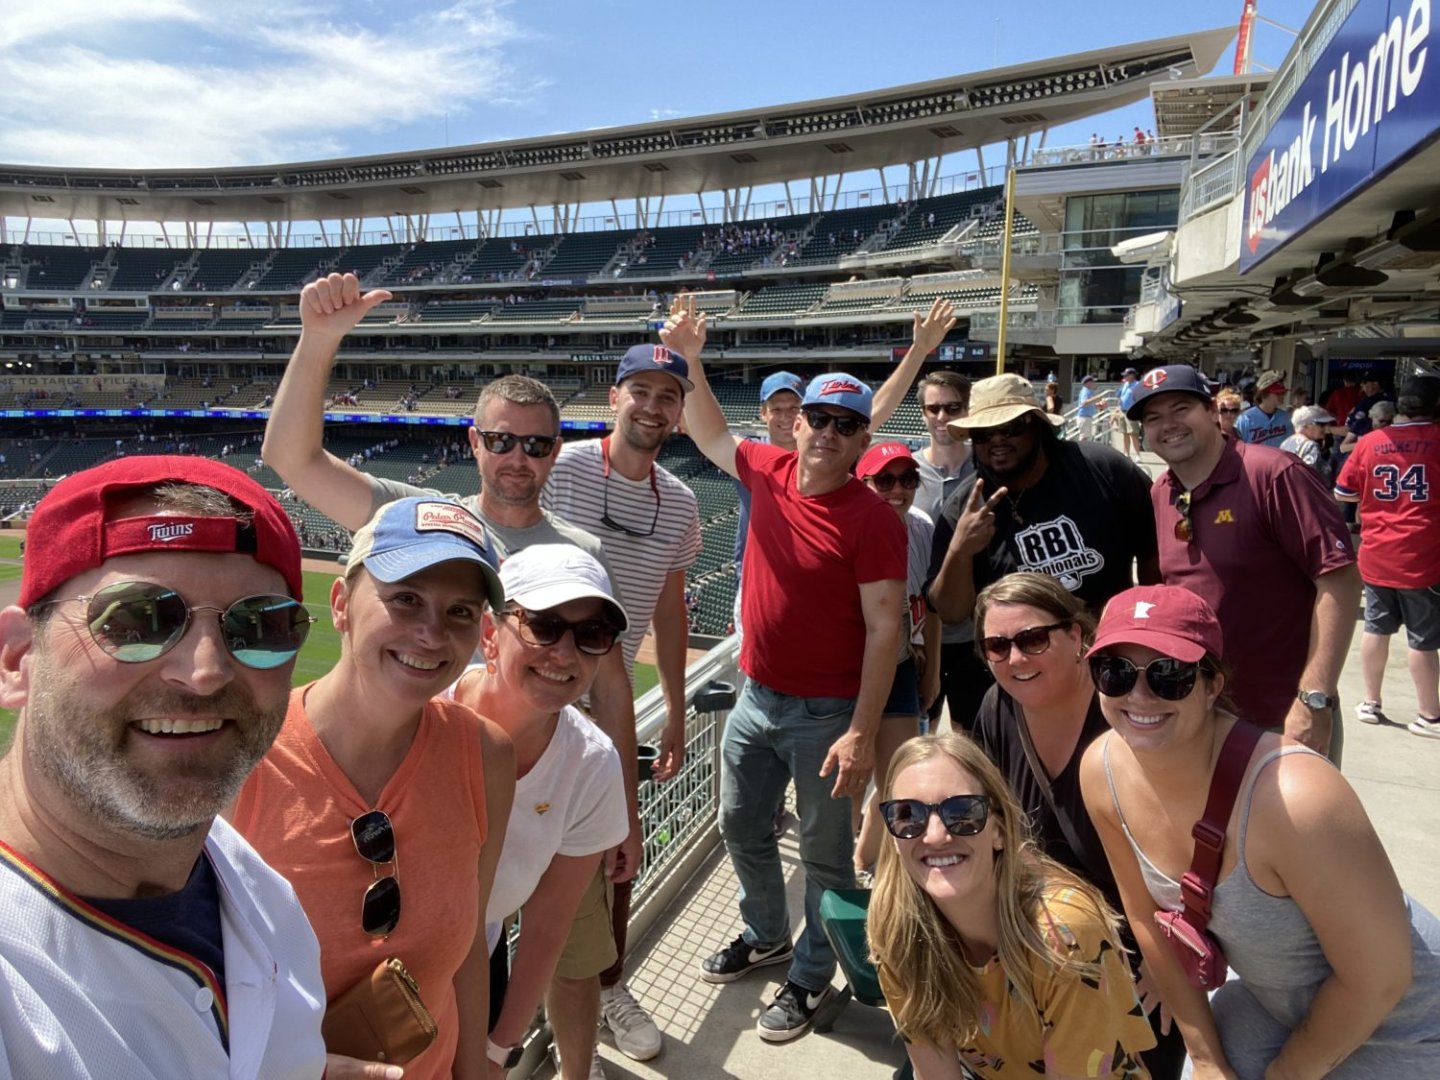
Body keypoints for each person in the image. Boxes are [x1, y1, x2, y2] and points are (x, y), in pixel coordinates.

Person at [261, 273, 661, 1071]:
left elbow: (612, 681)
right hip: (426, 781)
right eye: (501, 440)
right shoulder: (419, 519)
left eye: (537, 445)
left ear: (556, 452)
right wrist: (319, 341)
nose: (518, 458)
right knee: (439, 945)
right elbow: (291, 457)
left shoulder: (580, 550)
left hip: (547, 781)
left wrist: (624, 806)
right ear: (473, 442)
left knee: (559, 950)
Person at [0, 456, 326, 1075]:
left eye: (259, 626)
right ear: (17, 659)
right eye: (136, 619)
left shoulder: (259, 891)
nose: (205, 672)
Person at [1079, 584, 1440, 1079]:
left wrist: (1284, 1074)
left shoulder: (1295, 797)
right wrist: (1206, 1059)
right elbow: (1145, 920)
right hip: (1274, 1006)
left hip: (1406, 1025)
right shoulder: (1101, 772)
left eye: (1169, 675)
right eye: (1115, 672)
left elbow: (1379, 980)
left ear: (1213, 685)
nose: (1139, 695)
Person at [673, 299, 906, 1043]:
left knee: (827, 859)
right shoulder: (767, 469)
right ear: (796, 423)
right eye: (819, 419)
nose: (829, 433)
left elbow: (885, 631)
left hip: (827, 714)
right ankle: (768, 934)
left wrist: (862, 732)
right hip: (756, 696)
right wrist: (691, 359)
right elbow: (709, 432)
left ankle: (811, 975)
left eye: (847, 425)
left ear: (863, 439)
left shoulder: (873, 520)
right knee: (740, 825)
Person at [232, 496, 515, 1080]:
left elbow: (468, 950)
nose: (432, 633)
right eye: (406, 599)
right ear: (341, 604)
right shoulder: (240, 759)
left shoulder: (485, 755)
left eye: (460, 611)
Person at [538, 338, 702, 1068]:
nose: (653, 407)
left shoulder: (684, 502)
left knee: (612, 860)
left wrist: (676, 710)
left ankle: (605, 990)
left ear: (680, 412)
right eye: (641, 391)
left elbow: (669, 609)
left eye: (668, 396)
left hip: (605, 701)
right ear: (614, 398)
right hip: (527, 693)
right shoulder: (562, 466)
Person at [970, 572, 1186, 1078]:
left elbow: (1188, 845)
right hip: (1038, 953)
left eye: (1032, 639)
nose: (1015, 659)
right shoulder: (997, 709)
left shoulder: (1128, 710)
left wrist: (1170, 959)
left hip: (1141, 956)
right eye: (997, 646)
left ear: (1076, 636)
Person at [867, 733, 1157, 1079]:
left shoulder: (1063, 936)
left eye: (962, 812)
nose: (935, 835)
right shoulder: (897, 929)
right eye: (908, 815)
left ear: (999, 830)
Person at [446, 545, 631, 1080]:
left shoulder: (592, 765)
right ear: (490, 633)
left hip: (478, 960)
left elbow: (548, 926)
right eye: (544, 626)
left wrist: (497, 1050)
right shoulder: (423, 712)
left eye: (591, 634)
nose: (564, 653)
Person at [1128, 364, 1360, 760]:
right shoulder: (1160, 493)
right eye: (1153, 418)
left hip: (1281, 716)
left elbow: (1340, 580)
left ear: (1212, 411)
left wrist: (1314, 697)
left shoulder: (1273, 474)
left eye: (1181, 408)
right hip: (1197, 714)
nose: (1168, 425)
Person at [928, 374, 1160, 712]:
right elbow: (951, 613)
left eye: (1010, 428)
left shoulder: (1102, 469)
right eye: (983, 434)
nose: (997, 440)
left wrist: (1147, 636)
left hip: (1112, 667)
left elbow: (1155, 556)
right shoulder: (965, 507)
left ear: (1037, 425)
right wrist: (960, 551)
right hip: (1023, 679)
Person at [869, 302, 987, 733]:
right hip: (921, 637)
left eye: (953, 408)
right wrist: (918, 351)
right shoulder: (902, 472)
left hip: (977, 633)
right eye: (933, 408)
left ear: (968, 411)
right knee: (920, 741)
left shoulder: (990, 468)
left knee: (975, 742)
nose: (942, 417)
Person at [851, 443, 939, 880]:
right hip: (849, 669)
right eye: (884, 480)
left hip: (901, 663)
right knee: (850, 779)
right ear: (862, 483)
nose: (898, 490)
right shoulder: (848, 526)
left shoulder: (921, 526)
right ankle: (848, 866)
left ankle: (872, 865)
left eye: (908, 479)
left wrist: (932, 671)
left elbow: (931, 605)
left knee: (900, 778)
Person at [1336, 376, 1440, 738]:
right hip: (1423, 556)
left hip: (1377, 551)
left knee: (1376, 629)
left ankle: (1370, 702)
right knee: (1422, 639)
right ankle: (1429, 715)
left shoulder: (1371, 441)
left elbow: (1343, 491)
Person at [1233, 372, 1292, 448]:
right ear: (1264, 394)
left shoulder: (1286, 418)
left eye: (1283, 393)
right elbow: (1238, 448)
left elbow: (1290, 446)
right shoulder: (1245, 419)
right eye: (1277, 393)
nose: (1282, 396)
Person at [1117, 367, 1143, 461]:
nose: (1125, 377)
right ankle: (1126, 454)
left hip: (1131, 411)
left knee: (1133, 434)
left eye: (1126, 375)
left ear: (1132, 375)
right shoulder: (1125, 384)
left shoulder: (1137, 385)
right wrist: (1118, 406)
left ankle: (1138, 455)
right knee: (1125, 434)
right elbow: (1119, 395)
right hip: (1122, 411)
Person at [1075, 374, 1101, 441]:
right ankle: (1081, 448)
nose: (1094, 383)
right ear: (1088, 383)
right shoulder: (1085, 391)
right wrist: (1095, 398)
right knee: (1083, 437)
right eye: (1092, 382)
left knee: (1085, 437)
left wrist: (1097, 405)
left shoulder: (1089, 391)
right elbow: (1084, 403)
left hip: (1087, 417)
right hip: (1084, 417)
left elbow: (1089, 403)